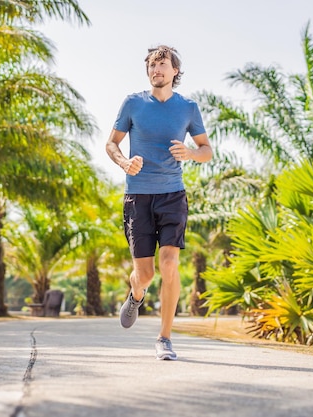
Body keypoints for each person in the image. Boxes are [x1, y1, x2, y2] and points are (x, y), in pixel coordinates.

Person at [105, 45, 212, 360]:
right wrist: (124, 163)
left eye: (163, 64)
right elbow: (111, 143)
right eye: (152, 65)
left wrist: (191, 153)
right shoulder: (133, 103)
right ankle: (136, 294)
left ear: (175, 71)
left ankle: (164, 338)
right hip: (138, 196)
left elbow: (206, 149)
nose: (157, 69)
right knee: (147, 274)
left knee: (169, 264)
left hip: (172, 195)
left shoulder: (188, 108)